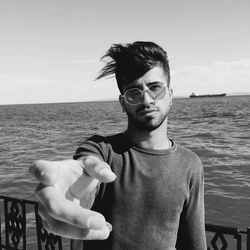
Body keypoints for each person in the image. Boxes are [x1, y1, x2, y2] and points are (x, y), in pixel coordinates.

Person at [30, 41, 207, 250]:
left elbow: (194, 243)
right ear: (123, 102)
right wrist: (66, 198)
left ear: (170, 94)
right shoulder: (102, 151)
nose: (147, 99)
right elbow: (85, 170)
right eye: (134, 92)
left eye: (155, 88)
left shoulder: (190, 165)